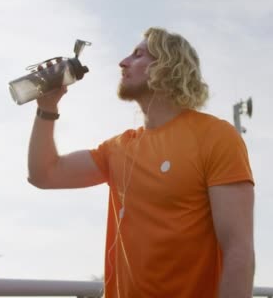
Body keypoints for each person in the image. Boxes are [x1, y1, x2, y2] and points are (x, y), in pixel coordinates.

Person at [27, 27, 255, 298]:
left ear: (168, 66)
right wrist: (47, 107)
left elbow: (238, 251)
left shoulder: (216, 137)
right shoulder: (118, 149)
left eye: (138, 55)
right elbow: (44, 174)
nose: (123, 62)